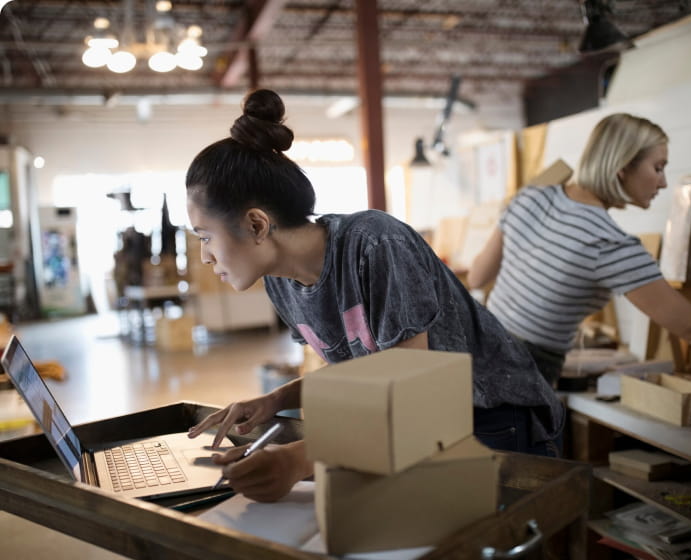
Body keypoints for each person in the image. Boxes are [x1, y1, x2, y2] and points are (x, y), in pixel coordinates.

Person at [185, 88, 564, 503]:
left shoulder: (375, 244)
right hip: (423, 427)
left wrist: (297, 460)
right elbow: (366, 371)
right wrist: (275, 400)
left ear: (257, 225)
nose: (204, 255)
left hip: (491, 420)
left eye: (205, 237)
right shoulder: (280, 281)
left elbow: (411, 394)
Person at [468, 112, 691, 386]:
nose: (663, 183)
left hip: (476, 355)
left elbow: (478, 276)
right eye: (658, 167)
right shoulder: (607, 243)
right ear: (624, 166)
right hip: (522, 377)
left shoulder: (531, 196)